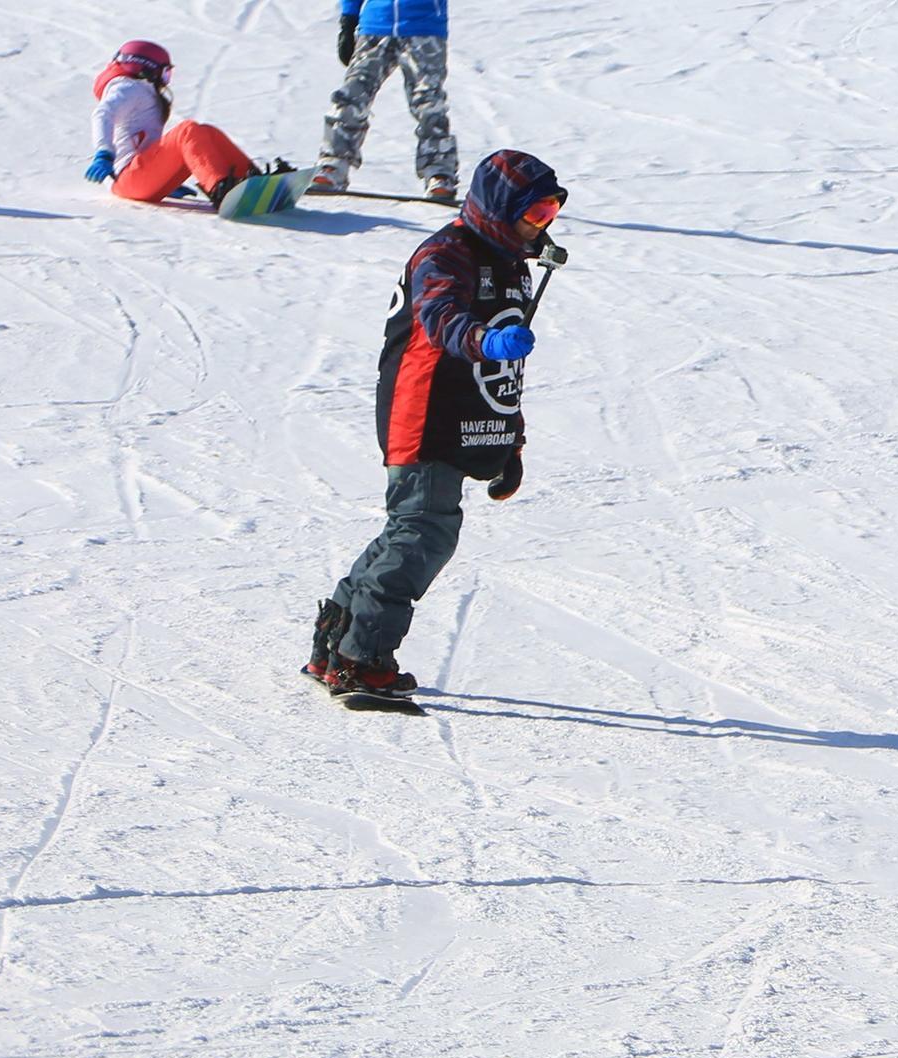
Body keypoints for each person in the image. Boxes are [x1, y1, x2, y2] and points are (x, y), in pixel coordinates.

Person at [306, 149, 566, 697]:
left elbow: (505, 375)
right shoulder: (445, 253)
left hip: (464, 414)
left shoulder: (510, 263)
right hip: (421, 410)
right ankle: (363, 658)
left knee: (411, 530)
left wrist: (509, 442)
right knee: (423, 532)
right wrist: (483, 340)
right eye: (535, 211)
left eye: (550, 214)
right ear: (500, 207)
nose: (541, 224)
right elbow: (441, 316)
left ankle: (337, 641)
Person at [84, 41, 283, 206]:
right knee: (187, 131)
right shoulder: (128, 87)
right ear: (144, 68)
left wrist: (165, 175)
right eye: (165, 73)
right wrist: (104, 153)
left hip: (138, 178)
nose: (166, 80)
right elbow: (102, 114)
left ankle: (252, 179)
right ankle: (221, 189)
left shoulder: (140, 90)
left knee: (205, 132)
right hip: (128, 178)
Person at [310, 0, 460, 201]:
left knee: (429, 102)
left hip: (424, 27)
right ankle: (333, 164)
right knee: (352, 93)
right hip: (375, 25)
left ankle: (439, 173)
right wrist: (348, 20)